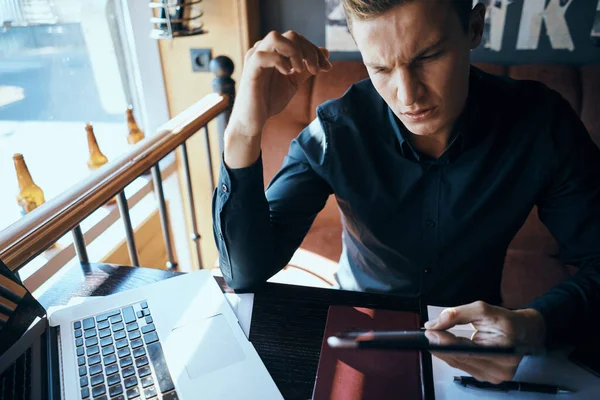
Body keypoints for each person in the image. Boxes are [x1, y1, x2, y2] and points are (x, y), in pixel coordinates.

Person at [212, 0, 600, 359]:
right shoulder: (335, 130)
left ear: (475, 27)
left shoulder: (541, 124)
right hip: (356, 328)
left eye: (428, 56)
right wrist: (243, 131)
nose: (408, 95)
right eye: (380, 68)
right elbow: (245, 273)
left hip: (473, 336)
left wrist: (538, 324)